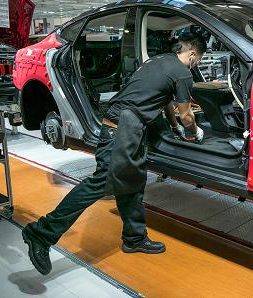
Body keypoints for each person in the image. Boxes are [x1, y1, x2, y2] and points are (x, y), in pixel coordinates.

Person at [21, 32, 206, 275]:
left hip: (126, 127)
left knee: (132, 182)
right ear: (192, 54)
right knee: (101, 183)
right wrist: (195, 131)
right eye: (199, 59)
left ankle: (134, 238)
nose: (198, 64)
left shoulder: (159, 61)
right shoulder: (183, 73)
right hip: (122, 130)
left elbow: (163, 100)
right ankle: (40, 234)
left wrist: (173, 127)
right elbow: (186, 114)